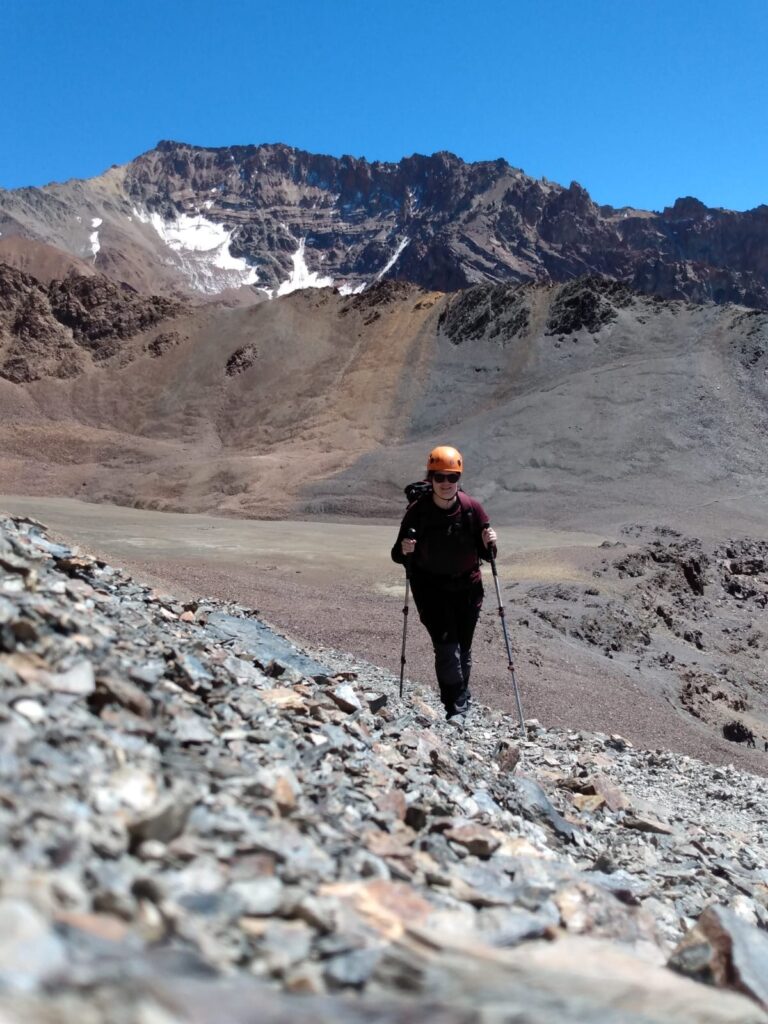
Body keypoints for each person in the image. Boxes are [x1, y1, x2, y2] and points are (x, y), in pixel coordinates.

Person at [391, 445, 497, 720]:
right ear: (431, 478)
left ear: (459, 478)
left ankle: (460, 694)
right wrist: (405, 549)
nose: (446, 483)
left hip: (468, 587)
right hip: (430, 589)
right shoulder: (418, 512)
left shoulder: (472, 509)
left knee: (463, 647)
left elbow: (487, 554)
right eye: (440, 477)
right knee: (447, 647)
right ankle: (456, 706)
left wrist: (490, 544)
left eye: (452, 477)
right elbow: (397, 555)